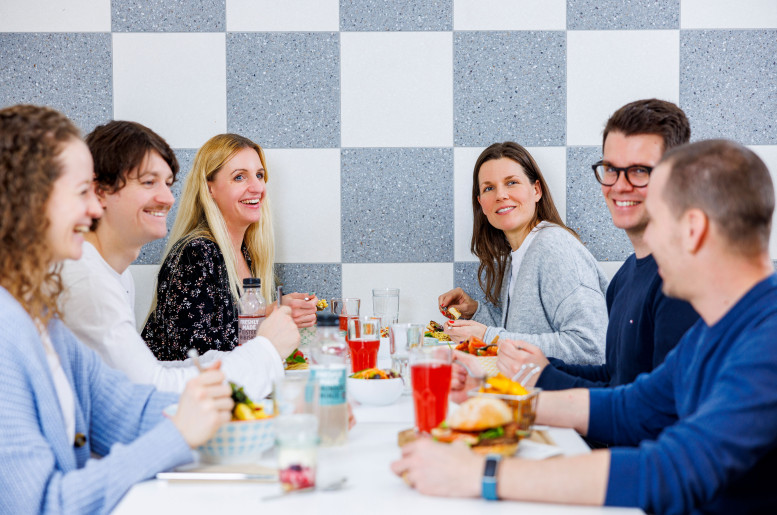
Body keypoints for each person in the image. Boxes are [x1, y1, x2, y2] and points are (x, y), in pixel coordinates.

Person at [393, 139, 777, 513]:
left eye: (655, 219)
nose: (645, 242)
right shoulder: (715, 330)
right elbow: (629, 408)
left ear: (692, 230)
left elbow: (670, 469)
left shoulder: (768, 342)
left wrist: (482, 474)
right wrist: (494, 401)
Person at [0, 104, 232, 513]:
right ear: (26, 199)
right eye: (81, 192)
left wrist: (257, 422)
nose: (94, 209)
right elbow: (39, 505)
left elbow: (128, 411)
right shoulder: (6, 329)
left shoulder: (39, 318)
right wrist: (179, 434)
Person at [59, 121, 299, 398]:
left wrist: (265, 333)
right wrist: (266, 351)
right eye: (149, 182)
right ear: (99, 191)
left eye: (168, 183)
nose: (167, 198)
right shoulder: (88, 282)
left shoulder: (117, 275)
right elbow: (150, 389)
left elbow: (156, 371)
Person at [494, 99, 699, 390]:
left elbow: (659, 410)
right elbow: (614, 379)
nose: (619, 185)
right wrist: (539, 367)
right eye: (611, 169)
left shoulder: (684, 282)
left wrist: (545, 381)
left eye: (640, 170)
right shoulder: (625, 278)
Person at [143, 133, 317, 361]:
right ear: (210, 189)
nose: (257, 187)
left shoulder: (249, 254)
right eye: (239, 178)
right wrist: (269, 314)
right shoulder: (196, 253)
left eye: (260, 175)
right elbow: (193, 355)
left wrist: (281, 317)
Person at [439, 141, 608, 365]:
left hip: (562, 397)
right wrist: (475, 312)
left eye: (512, 182)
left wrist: (486, 337)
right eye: (489, 188)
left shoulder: (555, 247)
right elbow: (522, 330)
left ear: (536, 190)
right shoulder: (518, 253)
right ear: (481, 204)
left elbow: (592, 348)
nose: (501, 195)